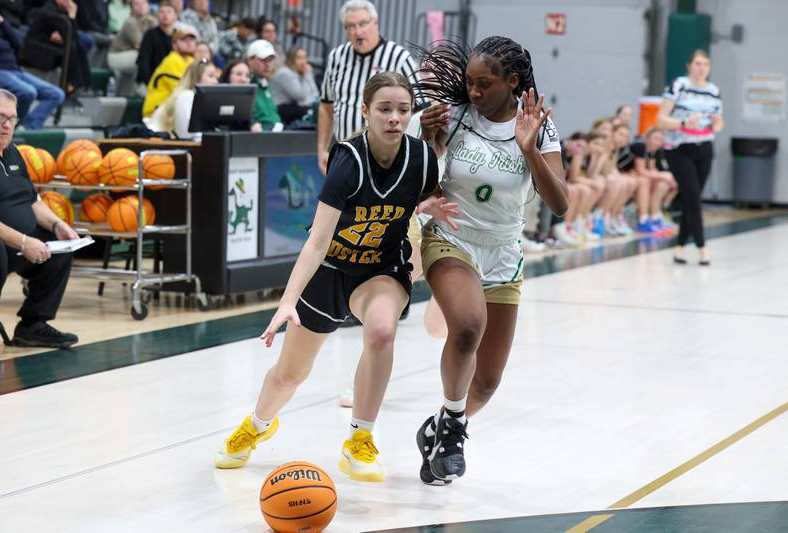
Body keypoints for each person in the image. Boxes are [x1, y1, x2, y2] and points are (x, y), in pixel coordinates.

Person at [212, 72, 456, 482]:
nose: (394, 118)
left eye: (402, 109)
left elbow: (420, 195)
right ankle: (256, 425)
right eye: (384, 109)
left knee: (381, 332)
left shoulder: (422, 158)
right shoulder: (349, 160)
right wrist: (287, 301)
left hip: (380, 269)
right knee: (289, 374)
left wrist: (429, 206)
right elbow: (317, 241)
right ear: (365, 112)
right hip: (330, 269)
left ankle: (360, 438)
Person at [413, 36, 568, 484]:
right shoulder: (455, 116)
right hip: (452, 236)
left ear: (512, 81)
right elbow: (423, 183)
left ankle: (444, 424)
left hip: (504, 249)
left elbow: (560, 204)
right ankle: (454, 431)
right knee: (466, 326)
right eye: (469, 84)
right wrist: (429, 141)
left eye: (484, 84)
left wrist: (530, 150)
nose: (474, 93)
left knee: (485, 384)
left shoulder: (539, 127)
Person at [0, 89, 79, 349]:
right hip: (3, 244)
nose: (7, 125)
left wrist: (58, 225)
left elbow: (32, 201)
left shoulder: (14, 152)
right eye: (0, 117)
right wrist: (23, 242)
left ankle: (32, 325)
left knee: (60, 246)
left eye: (12, 118)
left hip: (20, 243)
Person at [317, 0, 418, 176]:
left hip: (387, 159)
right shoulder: (337, 56)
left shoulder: (399, 57)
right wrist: (322, 149)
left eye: (362, 24)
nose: (357, 32)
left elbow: (419, 110)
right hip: (345, 155)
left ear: (376, 22)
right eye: (350, 26)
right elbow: (326, 106)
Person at [657, 49, 723, 265]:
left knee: (690, 198)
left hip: (704, 147)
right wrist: (683, 123)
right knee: (693, 197)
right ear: (689, 65)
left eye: (705, 64)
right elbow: (660, 120)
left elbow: (720, 122)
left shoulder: (714, 90)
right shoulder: (679, 85)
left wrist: (717, 124)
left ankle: (679, 247)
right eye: (697, 63)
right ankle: (702, 247)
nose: (701, 68)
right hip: (679, 147)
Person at [0, 8, 65, 129]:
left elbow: (18, 43)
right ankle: (13, 128)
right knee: (28, 92)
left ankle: (28, 128)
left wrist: (1, 21)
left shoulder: (1, 27)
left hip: (15, 70)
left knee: (56, 94)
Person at [146, 58, 217, 139]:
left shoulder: (203, 99)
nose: (215, 81)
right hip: (158, 144)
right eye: (211, 76)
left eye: (216, 77)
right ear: (196, 78)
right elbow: (186, 134)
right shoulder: (186, 96)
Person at [141, 21, 196, 117]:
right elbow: (182, 90)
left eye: (192, 40)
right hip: (157, 112)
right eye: (184, 40)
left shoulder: (191, 61)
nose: (189, 43)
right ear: (174, 45)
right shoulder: (172, 60)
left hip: (172, 109)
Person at [107, 0, 157, 97]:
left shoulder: (152, 21)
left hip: (133, 54)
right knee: (143, 58)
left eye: (143, 3)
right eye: (137, 4)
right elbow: (139, 45)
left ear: (148, 5)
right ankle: (141, 87)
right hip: (117, 55)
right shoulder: (130, 22)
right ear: (131, 7)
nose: (140, 6)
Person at [269, 46, 319, 124]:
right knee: (310, 111)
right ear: (291, 59)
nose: (303, 62)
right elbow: (300, 96)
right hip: (280, 107)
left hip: (293, 105)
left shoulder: (299, 73)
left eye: (304, 58)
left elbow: (315, 93)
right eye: (299, 58)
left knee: (316, 109)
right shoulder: (285, 73)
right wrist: (308, 75)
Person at [135, 0, 176, 85]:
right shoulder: (150, 35)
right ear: (157, 15)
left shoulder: (179, 37)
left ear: (175, 16)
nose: (165, 15)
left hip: (173, 82)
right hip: (151, 82)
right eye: (162, 12)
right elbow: (143, 62)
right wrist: (150, 83)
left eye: (168, 12)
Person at [245, 38, 282, 131]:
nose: (268, 64)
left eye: (270, 60)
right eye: (263, 60)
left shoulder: (265, 83)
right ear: (250, 60)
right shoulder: (245, 84)